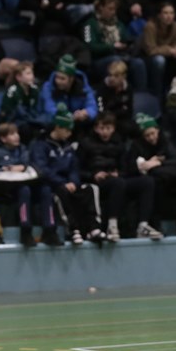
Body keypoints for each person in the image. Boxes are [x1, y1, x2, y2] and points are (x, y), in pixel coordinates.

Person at [80, 112, 163, 240]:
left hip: (117, 179)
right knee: (118, 183)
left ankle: (143, 225)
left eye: (108, 128)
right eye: (102, 128)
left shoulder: (119, 143)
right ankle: (112, 226)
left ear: (113, 128)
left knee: (147, 182)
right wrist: (93, 175)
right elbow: (79, 169)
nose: (105, 132)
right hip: (96, 181)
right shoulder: (86, 143)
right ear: (96, 128)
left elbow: (126, 168)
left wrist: (118, 173)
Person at [31, 108, 105, 246]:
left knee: (91, 188)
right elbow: (42, 170)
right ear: (58, 127)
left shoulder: (68, 148)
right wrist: (61, 182)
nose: (69, 134)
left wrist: (73, 182)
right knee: (61, 192)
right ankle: (73, 230)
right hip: (53, 184)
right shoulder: (41, 145)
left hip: (69, 183)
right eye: (67, 130)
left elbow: (74, 168)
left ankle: (94, 228)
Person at [40, 54, 98, 133]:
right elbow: (49, 108)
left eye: (62, 79)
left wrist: (85, 113)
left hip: (77, 123)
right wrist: (67, 116)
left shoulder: (83, 87)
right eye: (57, 77)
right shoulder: (48, 87)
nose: (58, 81)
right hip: (56, 122)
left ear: (71, 79)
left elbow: (92, 106)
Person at [140, 2, 176, 99]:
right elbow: (151, 50)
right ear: (159, 15)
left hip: (170, 56)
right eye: (165, 13)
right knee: (159, 60)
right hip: (149, 58)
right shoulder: (150, 26)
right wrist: (170, 50)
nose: (169, 16)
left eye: (171, 13)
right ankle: (157, 93)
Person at [95, 60, 136, 138]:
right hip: (105, 121)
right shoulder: (102, 88)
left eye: (116, 76)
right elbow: (102, 111)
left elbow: (129, 111)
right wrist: (120, 109)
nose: (112, 78)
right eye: (110, 75)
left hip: (122, 121)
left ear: (124, 76)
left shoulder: (128, 89)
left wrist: (116, 111)